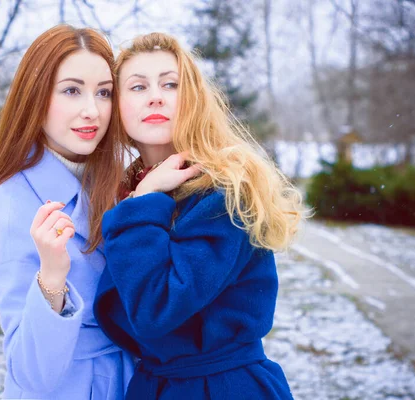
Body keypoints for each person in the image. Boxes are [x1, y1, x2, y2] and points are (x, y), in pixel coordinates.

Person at [93, 32, 306, 399]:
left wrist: (142, 201)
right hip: (155, 385)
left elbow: (156, 309)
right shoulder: (130, 190)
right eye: (138, 86)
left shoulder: (223, 189)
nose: (155, 96)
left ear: (192, 98)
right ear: (119, 105)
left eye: (170, 84)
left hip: (220, 387)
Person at [0, 25, 134, 399]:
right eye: (71, 90)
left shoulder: (111, 181)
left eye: (104, 92)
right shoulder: (10, 203)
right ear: (36, 97)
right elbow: (30, 372)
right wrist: (52, 279)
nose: (92, 110)